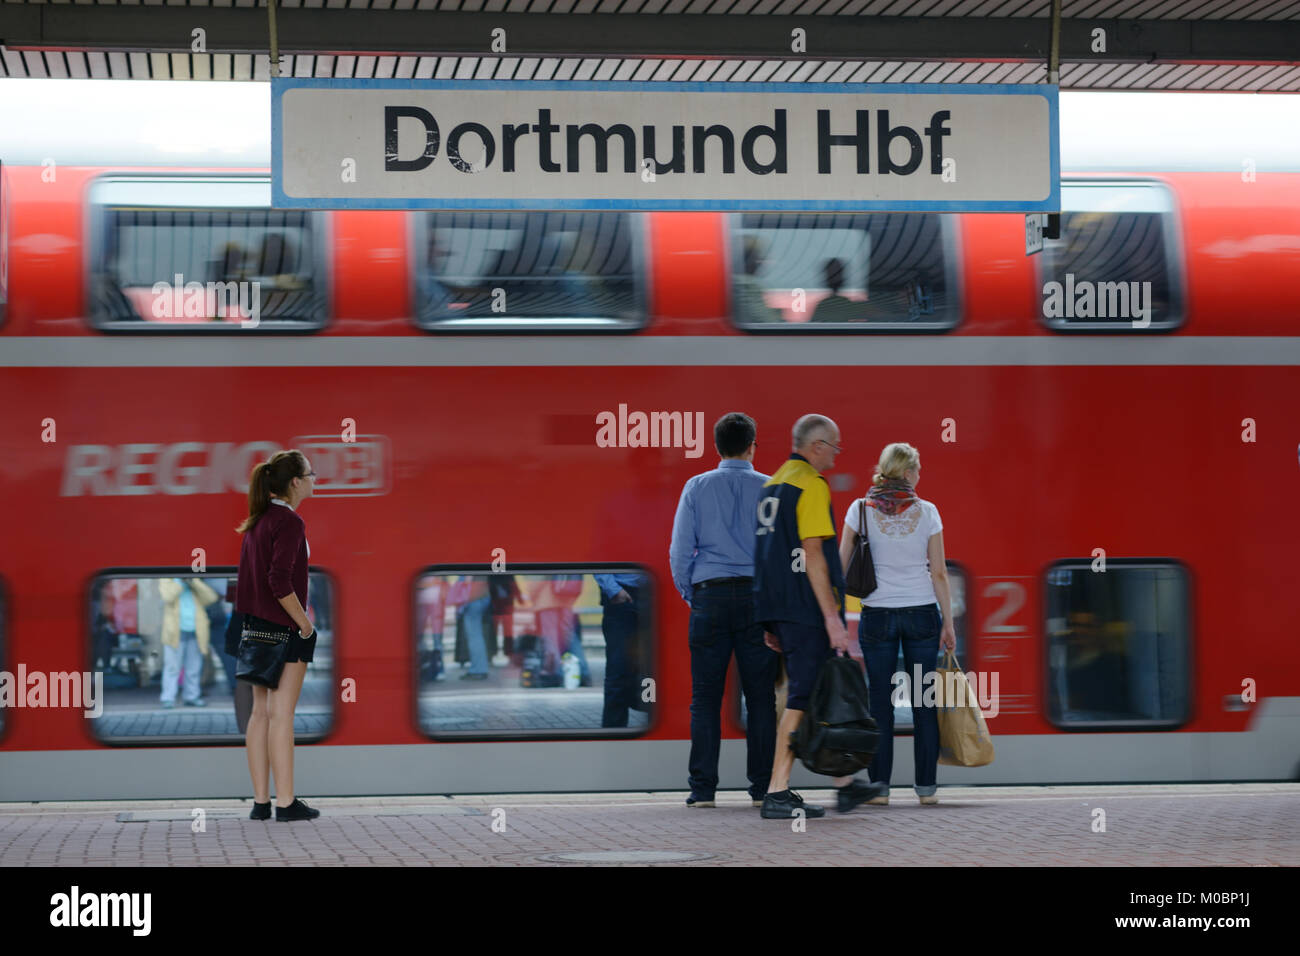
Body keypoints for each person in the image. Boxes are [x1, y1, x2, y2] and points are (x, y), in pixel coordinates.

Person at [753, 414, 886, 819]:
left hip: (780, 606)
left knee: (813, 691)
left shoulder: (772, 484)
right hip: (805, 608)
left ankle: (845, 785)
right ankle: (777, 790)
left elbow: (764, 556)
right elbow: (813, 553)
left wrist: (769, 620)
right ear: (817, 446)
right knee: (800, 696)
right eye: (834, 447)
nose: (836, 455)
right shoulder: (810, 484)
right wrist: (832, 617)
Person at [670, 412, 779, 809]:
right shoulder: (771, 488)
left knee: (704, 699)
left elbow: (680, 550)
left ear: (717, 447)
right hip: (755, 600)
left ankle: (702, 791)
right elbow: (779, 555)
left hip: (709, 597)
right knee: (761, 699)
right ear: (753, 445)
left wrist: (691, 594)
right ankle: (763, 788)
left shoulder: (696, 486)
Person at [838, 442, 956, 807]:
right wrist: (948, 623)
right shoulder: (929, 512)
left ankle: (880, 789)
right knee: (923, 702)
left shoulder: (859, 510)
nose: (920, 477)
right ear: (907, 472)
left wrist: (834, 617)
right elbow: (938, 572)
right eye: (917, 470)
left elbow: (842, 567)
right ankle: (926, 789)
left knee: (880, 705)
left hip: (878, 615)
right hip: (922, 613)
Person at [234, 449, 320, 822]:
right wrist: (304, 624)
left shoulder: (257, 521)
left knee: (260, 715)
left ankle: (260, 803)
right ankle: (286, 803)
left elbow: (254, 582)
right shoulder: (289, 523)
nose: (315, 479)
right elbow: (279, 581)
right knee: (283, 715)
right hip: (285, 629)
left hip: (255, 629)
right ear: (296, 482)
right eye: (311, 474)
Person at [592, 572, 648, 727]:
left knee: (652, 669)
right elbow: (600, 558)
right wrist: (613, 590)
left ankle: (652, 715)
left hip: (653, 593)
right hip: (621, 596)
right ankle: (613, 731)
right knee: (618, 668)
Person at [157, 577, 219, 709]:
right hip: (174, 632)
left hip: (196, 632)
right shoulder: (166, 580)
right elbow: (167, 597)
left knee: (194, 667)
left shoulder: (194, 582)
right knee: (172, 667)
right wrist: (180, 581)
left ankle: (191, 696)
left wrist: (193, 582)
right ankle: (168, 698)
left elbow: (211, 598)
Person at [810, 258, 861, 323]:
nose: (834, 277)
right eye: (831, 273)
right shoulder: (824, 305)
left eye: (838, 272)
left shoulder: (847, 305)